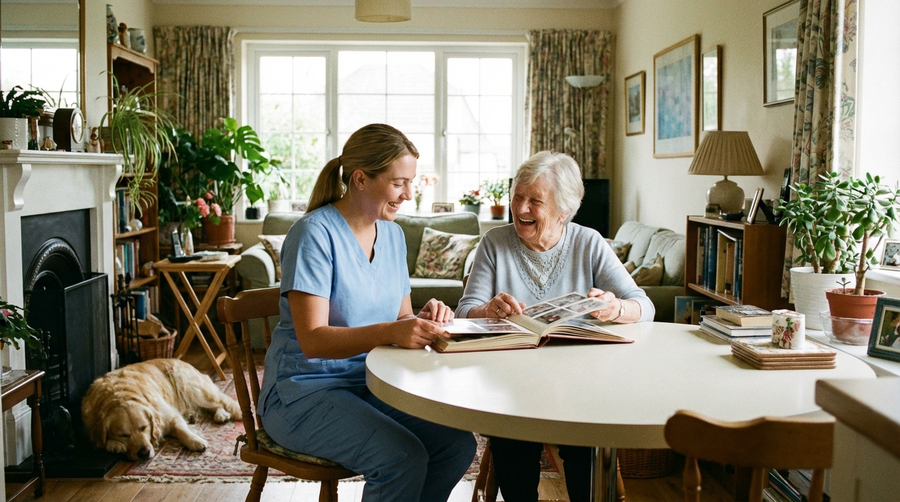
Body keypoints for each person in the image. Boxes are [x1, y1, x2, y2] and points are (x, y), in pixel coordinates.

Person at [258, 123, 476, 501]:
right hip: (303, 393)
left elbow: (402, 317)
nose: (409, 194)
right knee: (401, 458)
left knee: (456, 446)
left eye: (411, 182)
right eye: (398, 183)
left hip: (371, 384)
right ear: (360, 178)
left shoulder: (391, 235)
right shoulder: (312, 234)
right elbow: (313, 341)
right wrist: (391, 331)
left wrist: (425, 320)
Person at [456, 150, 655, 502]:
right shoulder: (494, 243)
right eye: (518, 196)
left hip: (580, 385)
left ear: (564, 211)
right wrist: (487, 309)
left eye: (535, 201)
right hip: (512, 384)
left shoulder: (589, 242)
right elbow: (465, 312)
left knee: (588, 462)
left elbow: (644, 305)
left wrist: (615, 307)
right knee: (514, 459)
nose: (521, 209)